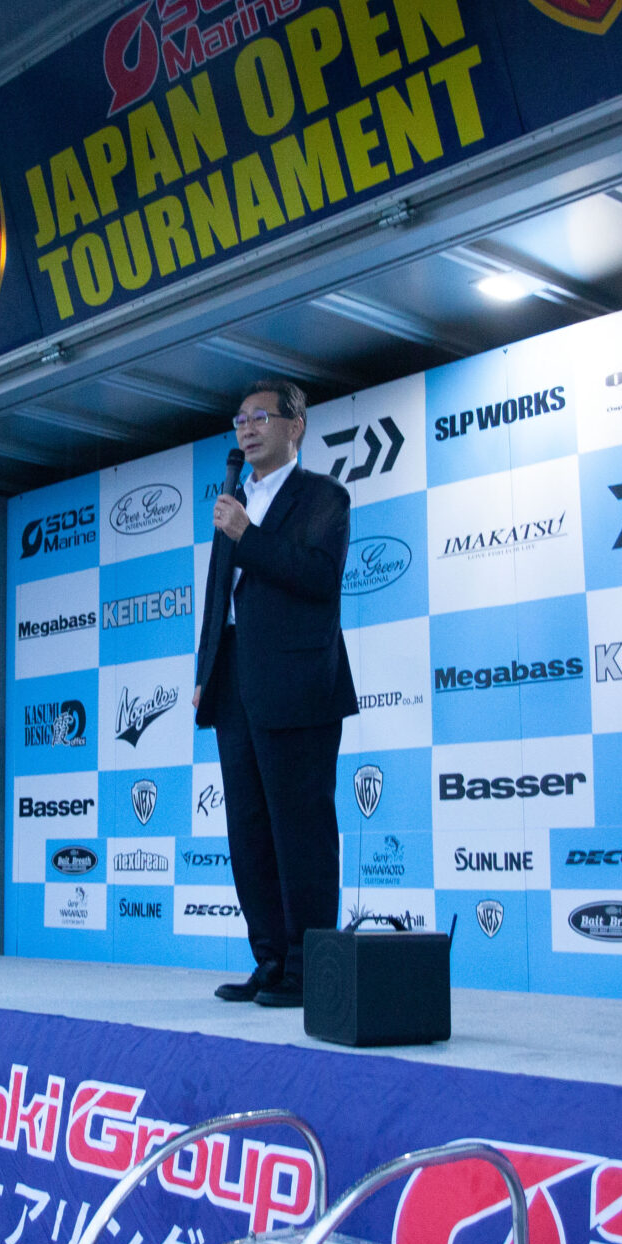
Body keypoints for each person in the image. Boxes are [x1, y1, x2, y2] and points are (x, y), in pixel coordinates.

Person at [193, 379, 358, 1009]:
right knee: (249, 830)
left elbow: (319, 578)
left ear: (296, 426)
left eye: (261, 417)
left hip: (299, 683)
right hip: (235, 681)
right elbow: (220, 594)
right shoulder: (233, 499)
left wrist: (248, 535)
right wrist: (206, 669)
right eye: (240, 419)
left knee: (301, 832)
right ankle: (269, 961)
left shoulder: (324, 496)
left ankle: (309, 969)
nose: (248, 428)